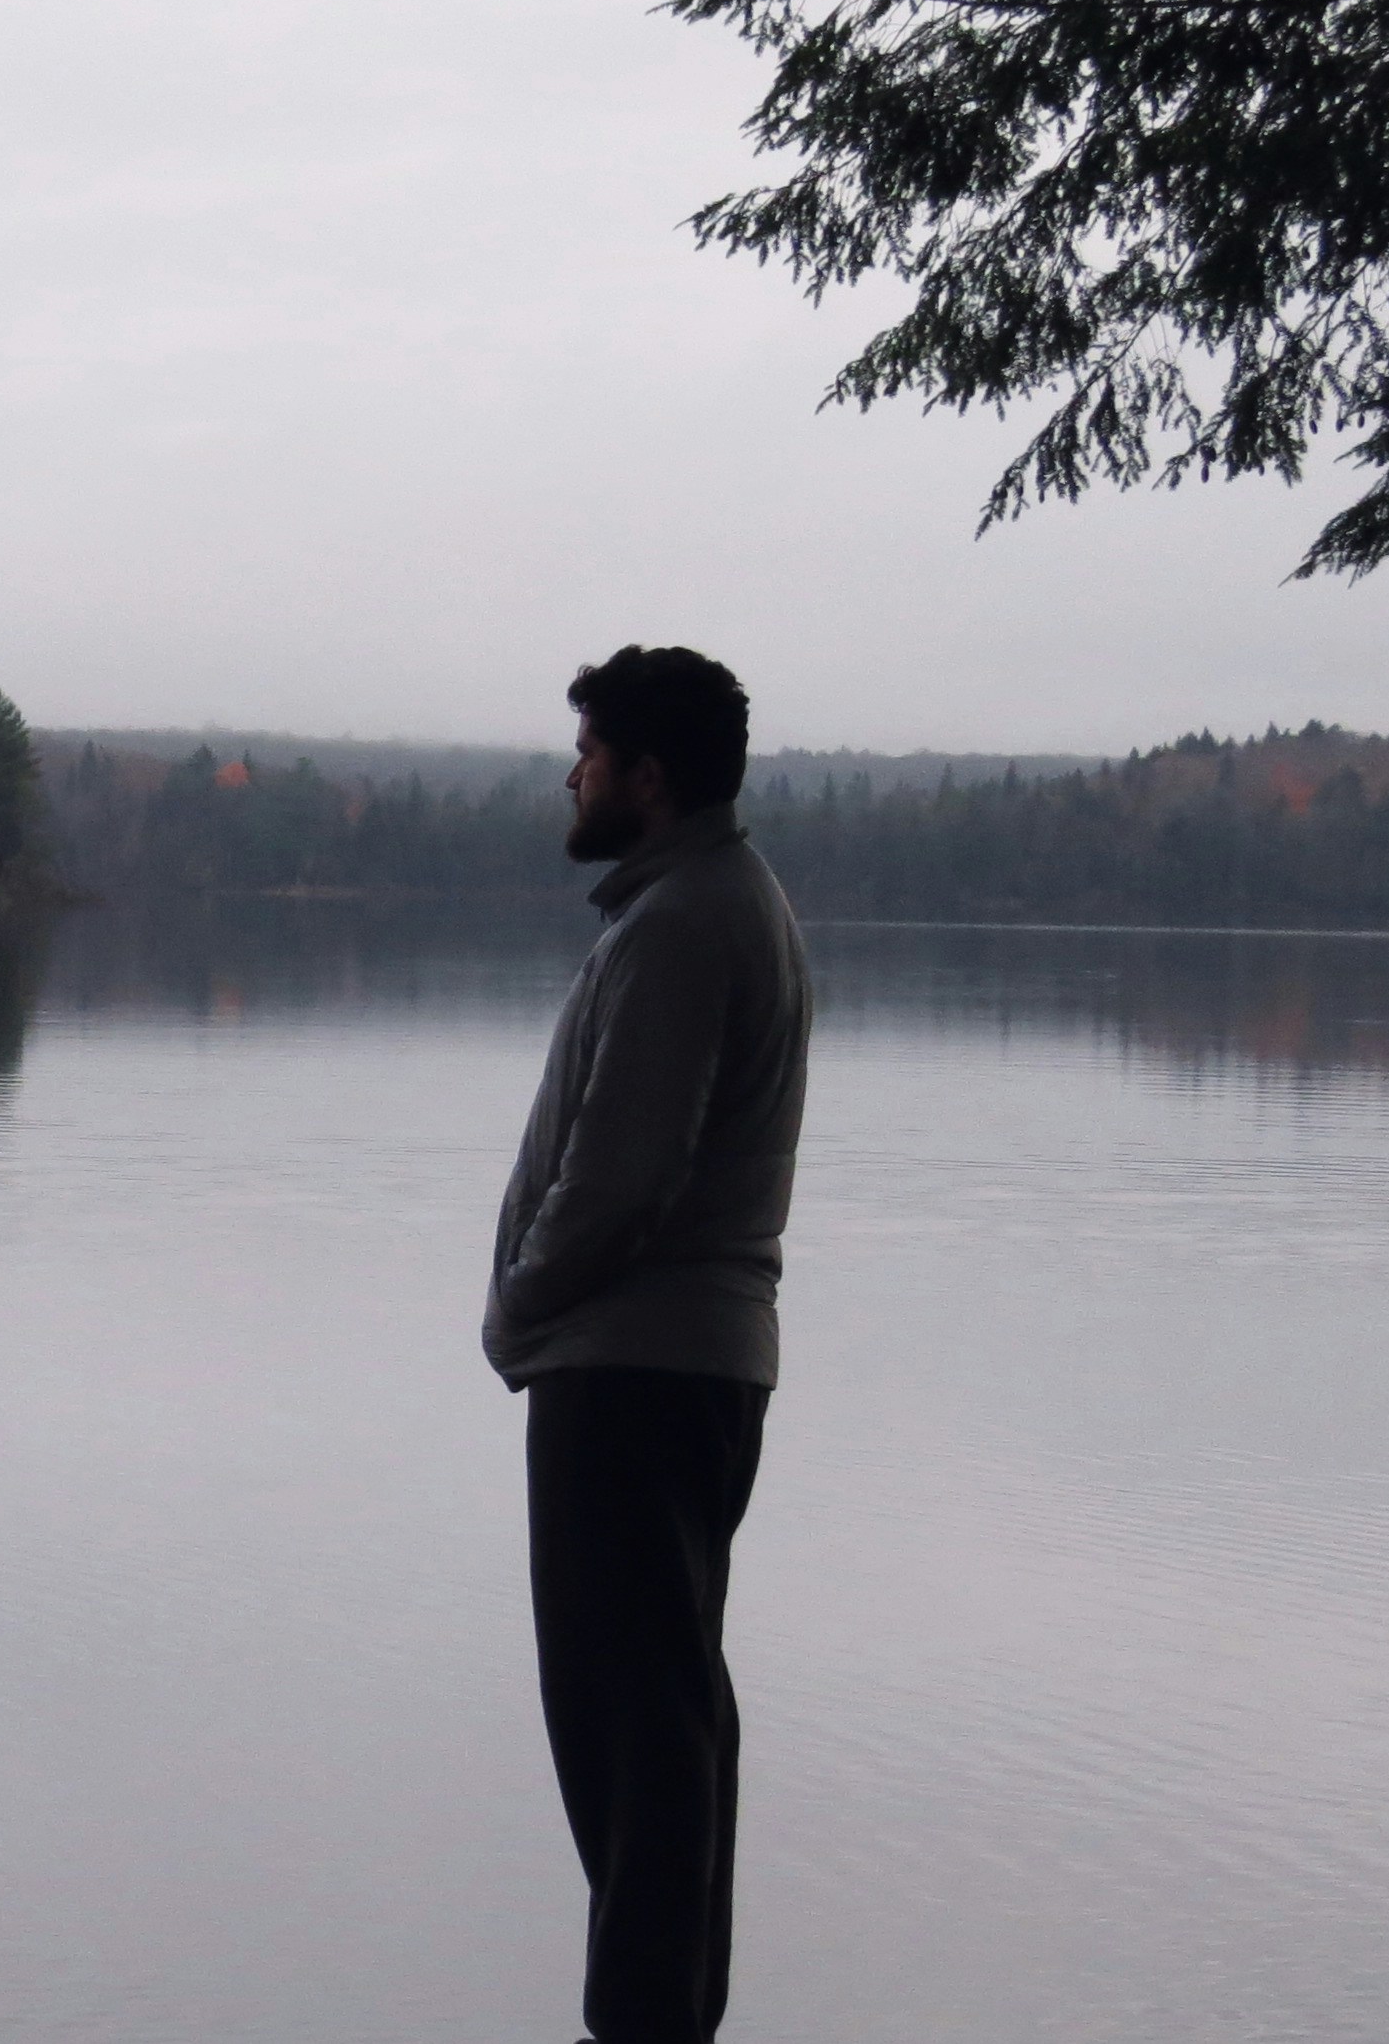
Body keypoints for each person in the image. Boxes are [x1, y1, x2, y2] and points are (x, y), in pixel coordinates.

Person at [489, 646, 812, 2044]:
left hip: (634, 1369)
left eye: (591, 750)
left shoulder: (685, 925)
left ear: (651, 775)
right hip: (666, 1368)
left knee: (634, 1733)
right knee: (664, 1717)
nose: (573, 772)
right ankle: (663, 2020)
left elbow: (622, 1179)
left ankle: (641, 2029)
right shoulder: (694, 904)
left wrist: (519, 1309)